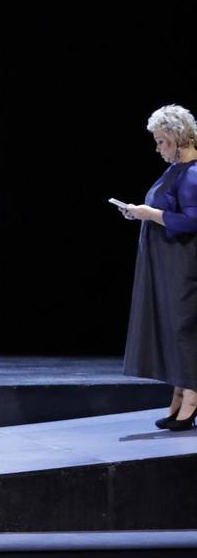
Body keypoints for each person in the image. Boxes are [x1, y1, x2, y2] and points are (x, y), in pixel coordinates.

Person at [114, 104, 197, 431]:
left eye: (162, 141)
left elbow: (192, 220)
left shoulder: (191, 173)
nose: (158, 148)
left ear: (178, 138)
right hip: (167, 266)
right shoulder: (175, 170)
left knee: (184, 329)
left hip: (183, 266)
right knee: (173, 330)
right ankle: (179, 394)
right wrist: (139, 212)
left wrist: (148, 213)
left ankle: (191, 396)